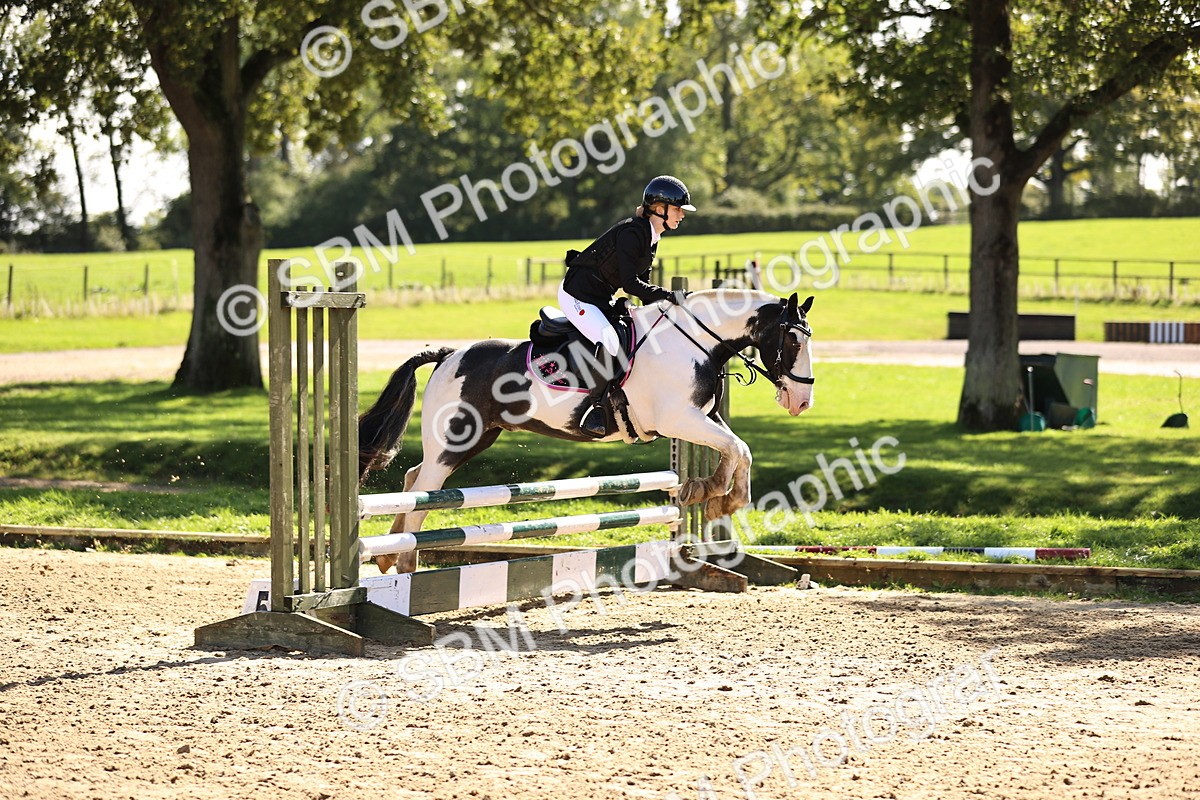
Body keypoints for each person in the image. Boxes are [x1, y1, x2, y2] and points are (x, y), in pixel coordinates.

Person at [559, 175, 697, 437]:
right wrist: (670, 296)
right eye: (678, 210)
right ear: (660, 208)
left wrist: (669, 311)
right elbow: (630, 284)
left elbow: (642, 284)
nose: (682, 216)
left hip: (598, 296)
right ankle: (594, 408)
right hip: (576, 294)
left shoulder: (651, 235)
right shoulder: (633, 233)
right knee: (610, 339)